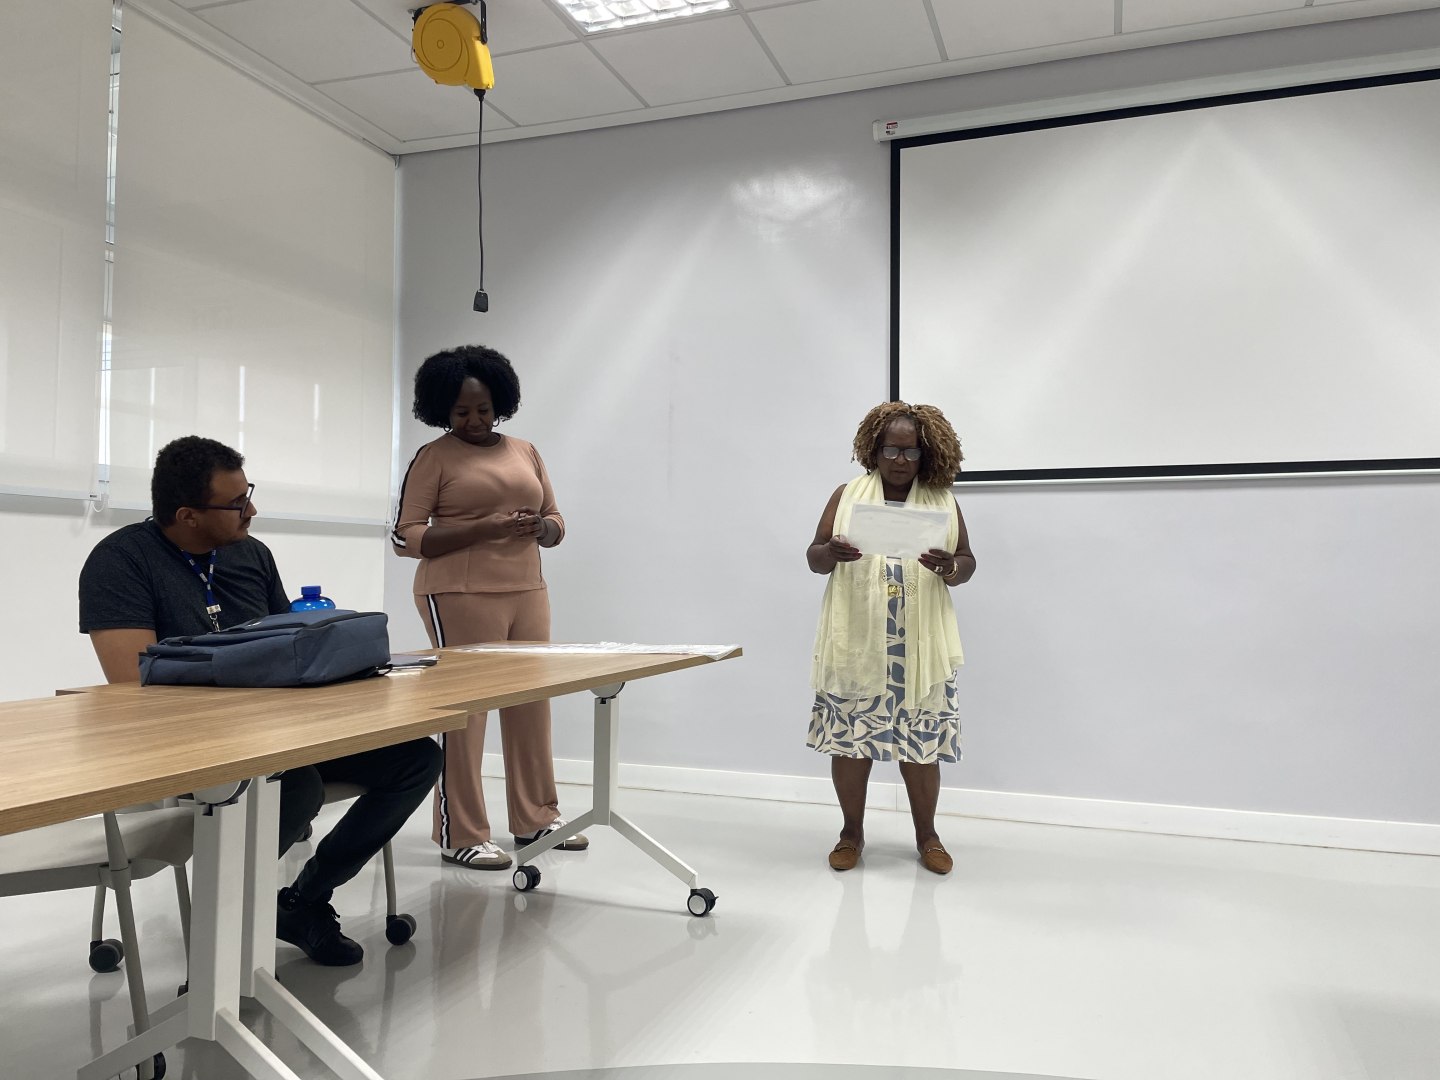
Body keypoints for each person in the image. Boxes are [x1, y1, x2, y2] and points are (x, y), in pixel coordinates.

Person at [79, 436, 443, 966]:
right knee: (295, 785)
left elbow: (290, 649)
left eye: (247, 494)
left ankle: (301, 900)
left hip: (275, 735)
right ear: (187, 515)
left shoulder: (251, 554)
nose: (251, 511)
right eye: (236, 503)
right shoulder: (121, 562)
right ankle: (220, 939)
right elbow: (134, 684)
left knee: (416, 758)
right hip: (185, 744)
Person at [392, 344, 584, 871]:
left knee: (531, 704)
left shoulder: (526, 450)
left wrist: (540, 527)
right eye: (461, 411)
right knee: (467, 711)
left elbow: (557, 520)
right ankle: (462, 833)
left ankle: (536, 819)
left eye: (483, 409)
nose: (474, 420)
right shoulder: (434, 457)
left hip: (526, 589)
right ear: (441, 409)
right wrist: (485, 528)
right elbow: (405, 537)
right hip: (458, 594)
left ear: (501, 402)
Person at [805, 402, 975, 875]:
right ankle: (850, 834)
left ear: (927, 454)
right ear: (874, 451)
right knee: (851, 743)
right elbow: (814, 558)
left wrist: (950, 567)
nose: (900, 460)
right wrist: (832, 552)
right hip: (858, 643)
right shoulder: (847, 496)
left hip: (919, 650)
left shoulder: (943, 500)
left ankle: (928, 837)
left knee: (921, 748)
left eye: (911, 452)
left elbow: (967, 561)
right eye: (891, 450)